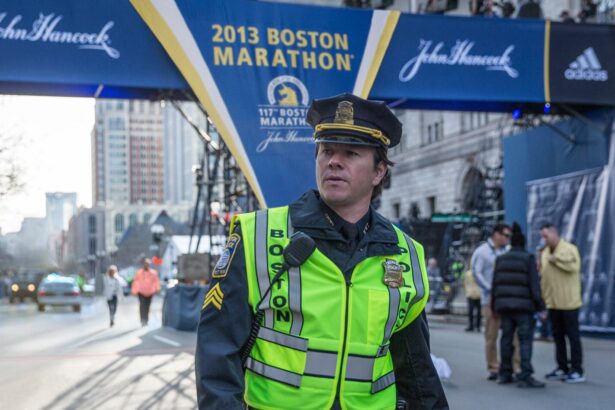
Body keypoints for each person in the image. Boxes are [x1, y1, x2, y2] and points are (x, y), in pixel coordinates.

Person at [195, 93, 448, 410]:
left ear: (379, 171)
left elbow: (416, 368)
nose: (334, 161)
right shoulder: (255, 235)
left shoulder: (405, 253)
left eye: (351, 153)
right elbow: (217, 353)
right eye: (326, 151)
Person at [491, 223, 545, 388]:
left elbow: (495, 285)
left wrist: (494, 306)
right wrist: (541, 307)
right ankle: (525, 375)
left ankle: (505, 373)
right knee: (524, 340)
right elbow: (534, 286)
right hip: (524, 308)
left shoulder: (500, 259)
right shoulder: (528, 258)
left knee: (506, 339)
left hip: (505, 307)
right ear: (523, 243)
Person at [471, 223, 518, 380]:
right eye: (505, 235)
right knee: (491, 334)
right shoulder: (482, 252)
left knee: (513, 333)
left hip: (507, 296)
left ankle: (514, 366)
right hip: (490, 297)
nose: (507, 238)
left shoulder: (508, 250)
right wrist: (490, 289)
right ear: (496, 235)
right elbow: (477, 273)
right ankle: (493, 367)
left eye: (509, 236)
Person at [539, 223, 584, 383]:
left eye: (545, 236)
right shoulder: (544, 253)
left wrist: (555, 259)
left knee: (573, 336)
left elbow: (574, 267)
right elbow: (544, 278)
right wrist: (543, 301)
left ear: (554, 233)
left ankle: (577, 370)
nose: (543, 239)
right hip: (553, 302)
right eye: (542, 236)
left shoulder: (569, 249)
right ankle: (562, 367)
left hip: (569, 302)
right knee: (558, 337)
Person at [131, 258, 160, 326]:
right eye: (145, 264)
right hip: (141, 292)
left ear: (149, 265)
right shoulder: (139, 273)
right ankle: (142, 319)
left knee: (147, 306)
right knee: (142, 305)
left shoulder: (153, 273)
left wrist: (157, 289)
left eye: (147, 264)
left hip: (150, 292)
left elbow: (156, 281)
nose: (146, 265)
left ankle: (146, 319)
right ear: (143, 264)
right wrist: (134, 291)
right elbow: (135, 282)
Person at [463, 265, 481, 332]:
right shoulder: (480, 273)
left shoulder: (468, 273)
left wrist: (466, 291)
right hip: (479, 293)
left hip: (470, 293)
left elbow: (465, 283)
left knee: (471, 311)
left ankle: (471, 325)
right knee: (478, 311)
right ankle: (478, 326)